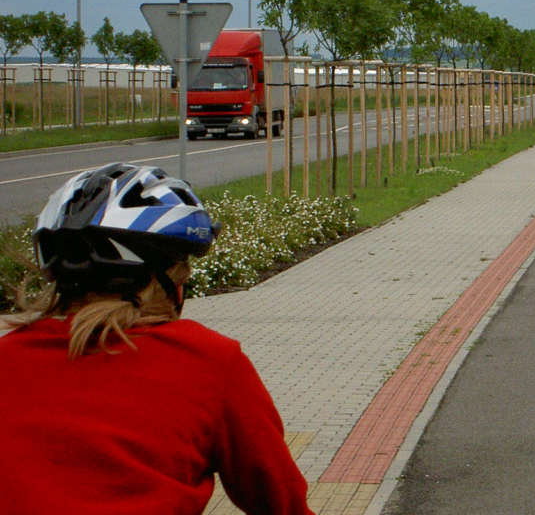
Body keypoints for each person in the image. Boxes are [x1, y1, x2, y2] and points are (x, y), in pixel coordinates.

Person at [0, 163, 314, 515]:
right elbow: (280, 499)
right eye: (183, 273)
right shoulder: (209, 363)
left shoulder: (6, 358)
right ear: (164, 280)